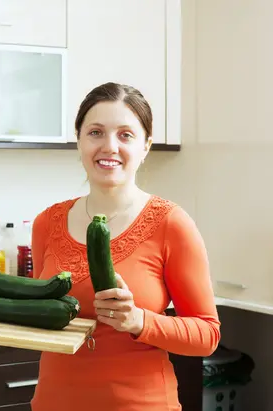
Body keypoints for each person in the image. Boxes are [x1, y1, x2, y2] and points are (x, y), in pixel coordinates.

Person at [29, 82, 221, 410]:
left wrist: (139, 321)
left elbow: (207, 336)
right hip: (53, 402)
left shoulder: (171, 224)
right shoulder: (47, 222)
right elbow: (41, 316)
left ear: (145, 146)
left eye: (125, 135)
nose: (109, 146)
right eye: (96, 132)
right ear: (79, 139)